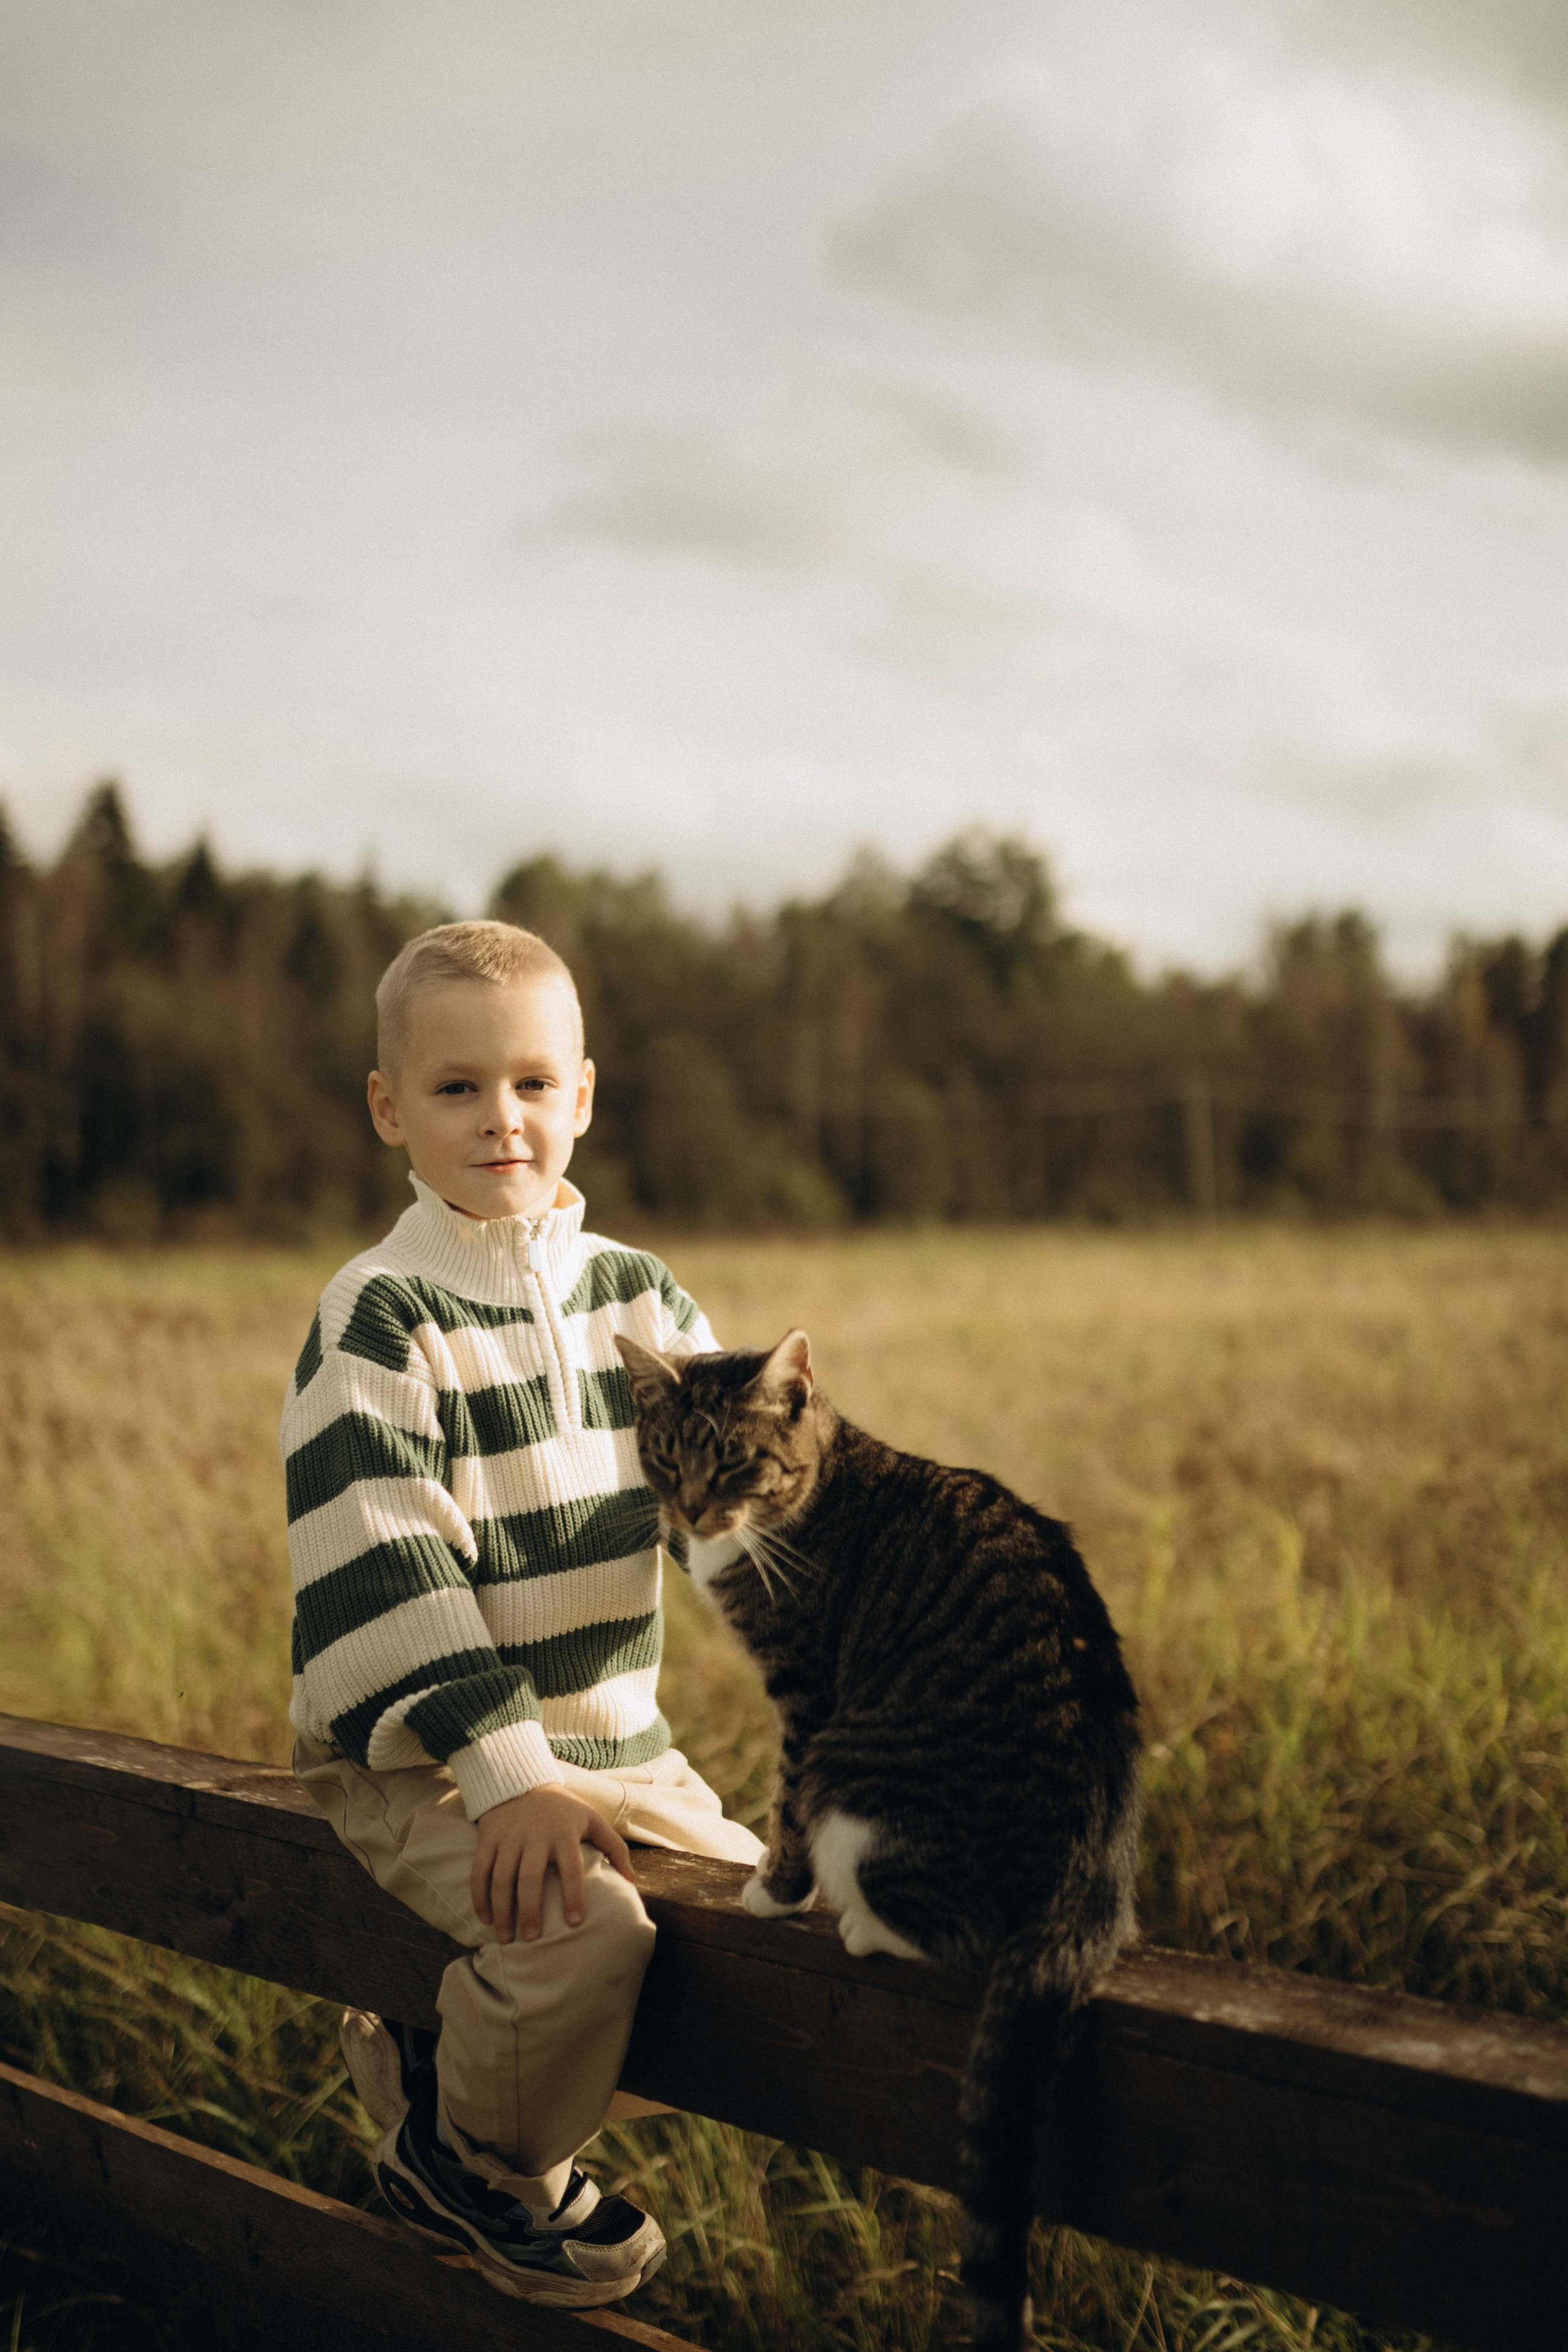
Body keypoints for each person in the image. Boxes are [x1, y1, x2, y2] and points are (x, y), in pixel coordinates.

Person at [282, 919, 762, 2309]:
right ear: (390, 1108)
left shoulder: (641, 1295)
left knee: (763, 1938)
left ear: (584, 1096)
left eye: (534, 1084)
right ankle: (474, 2164)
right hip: (427, 1760)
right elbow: (387, 1569)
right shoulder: (379, 1315)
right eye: (456, 1088)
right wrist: (508, 1777)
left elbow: (722, 1505)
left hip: (613, 1745)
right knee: (589, 1936)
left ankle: (446, 2067)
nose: (503, 1118)